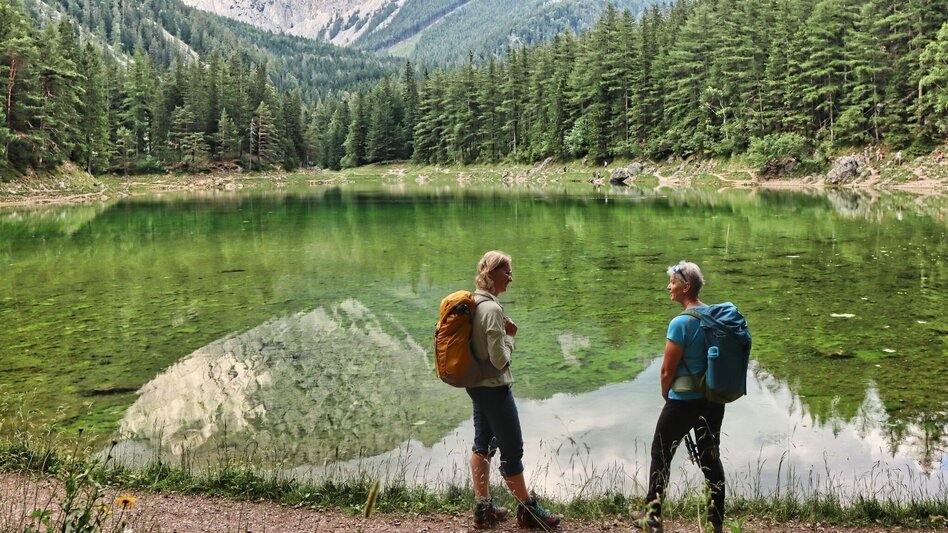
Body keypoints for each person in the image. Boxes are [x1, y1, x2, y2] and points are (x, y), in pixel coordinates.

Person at [467, 250, 561, 530]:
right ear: (492, 273)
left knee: (482, 445)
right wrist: (510, 337)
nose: (511, 277)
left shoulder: (473, 303)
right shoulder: (492, 309)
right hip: (495, 389)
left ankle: (483, 510)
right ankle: (528, 511)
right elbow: (499, 360)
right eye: (506, 271)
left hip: (476, 386)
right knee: (512, 449)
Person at [631, 260, 726, 533]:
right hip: (713, 400)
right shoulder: (715, 316)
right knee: (710, 456)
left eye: (672, 282)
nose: (668, 287)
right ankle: (715, 519)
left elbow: (666, 371)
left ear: (686, 287)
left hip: (682, 401)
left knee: (661, 454)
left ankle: (652, 516)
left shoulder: (680, 323)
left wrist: (667, 396)